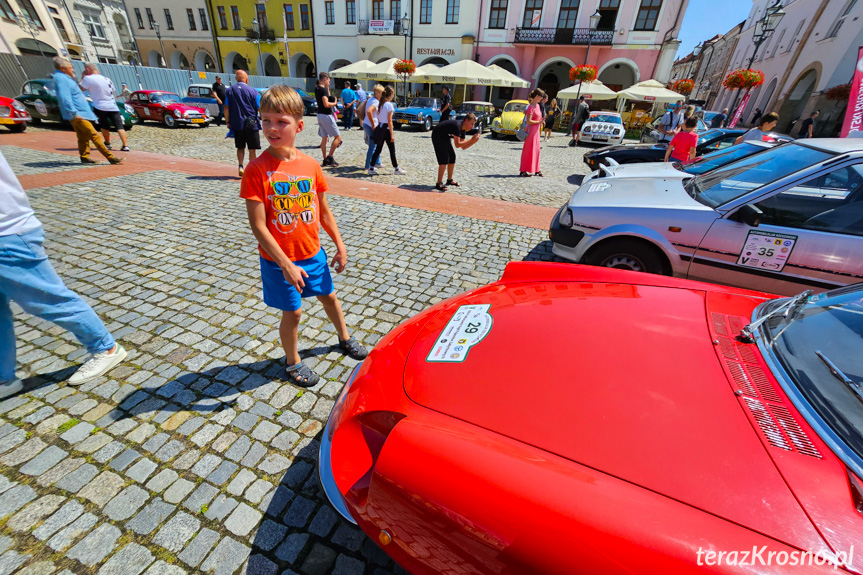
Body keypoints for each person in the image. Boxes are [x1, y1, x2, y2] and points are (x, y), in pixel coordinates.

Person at [240, 85, 368, 387]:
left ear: (299, 125)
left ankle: (344, 338)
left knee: (329, 296)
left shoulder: (310, 165)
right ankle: (293, 361)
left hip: (313, 253)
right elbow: (258, 226)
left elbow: (323, 211)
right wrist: (284, 264)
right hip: (278, 261)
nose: (272, 128)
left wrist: (339, 244)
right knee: (294, 313)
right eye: (266, 120)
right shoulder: (256, 170)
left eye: (281, 121)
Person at [0, 151, 127, 398]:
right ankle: (4, 378)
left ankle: (106, 348)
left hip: (6, 234)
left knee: (47, 301)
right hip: (9, 231)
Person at [51, 57, 122, 166]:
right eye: (70, 68)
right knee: (94, 135)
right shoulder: (62, 79)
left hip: (80, 113)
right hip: (78, 114)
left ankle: (84, 157)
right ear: (63, 68)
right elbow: (64, 97)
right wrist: (74, 113)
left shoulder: (64, 78)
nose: (73, 70)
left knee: (82, 137)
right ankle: (111, 157)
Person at [79, 62, 130, 152]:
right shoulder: (107, 79)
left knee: (104, 125)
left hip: (100, 105)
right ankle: (125, 145)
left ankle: (107, 142)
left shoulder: (88, 78)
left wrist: (82, 77)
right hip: (112, 105)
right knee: (119, 126)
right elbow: (113, 91)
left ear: (87, 69)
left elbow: (81, 88)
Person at [224, 70, 260, 177]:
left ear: (236, 79)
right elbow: (259, 107)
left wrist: (228, 121)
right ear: (247, 79)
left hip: (237, 123)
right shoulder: (253, 91)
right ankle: (252, 168)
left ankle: (240, 166)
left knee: (240, 147)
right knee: (252, 148)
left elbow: (226, 107)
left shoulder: (229, 91)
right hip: (251, 123)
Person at [431, 114, 480, 192]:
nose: (472, 126)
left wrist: (473, 142)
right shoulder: (457, 126)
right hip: (437, 135)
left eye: (473, 124)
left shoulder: (463, 129)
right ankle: (439, 183)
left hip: (445, 136)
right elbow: (457, 145)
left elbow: (463, 146)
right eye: (471, 123)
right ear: (466, 120)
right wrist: (471, 140)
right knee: (444, 159)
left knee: (452, 156)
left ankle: (449, 180)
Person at [369, 86, 405, 176]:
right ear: (391, 95)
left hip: (380, 128)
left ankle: (371, 167)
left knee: (378, 149)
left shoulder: (380, 104)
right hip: (386, 129)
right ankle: (396, 168)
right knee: (392, 150)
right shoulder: (389, 105)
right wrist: (392, 134)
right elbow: (389, 121)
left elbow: (378, 116)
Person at [315, 73, 342, 167]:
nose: (329, 84)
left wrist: (327, 89)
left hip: (319, 115)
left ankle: (325, 158)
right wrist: (334, 103)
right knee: (338, 138)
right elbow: (326, 104)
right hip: (326, 115)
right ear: (325, 79)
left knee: (324, 139)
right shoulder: (322, 90)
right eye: (329, 81)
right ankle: (330, 157)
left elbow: (327, 96)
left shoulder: (317, 89)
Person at [520, 88, 546, 177]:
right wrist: (539, 122)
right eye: (541, 97)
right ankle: (523, 170)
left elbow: (537, 118)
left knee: (536, 150)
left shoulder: (538, 106)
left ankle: (536, 169)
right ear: (537, 96)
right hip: (531, 131)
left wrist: (541, 120)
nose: (541, 99)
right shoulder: (531, 107)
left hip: (536, 131)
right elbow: (529, 121)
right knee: (529, 150)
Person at [363, 84, 384, 172]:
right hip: (370, 125)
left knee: (376, 143)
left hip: (366, 124)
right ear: (378, 93)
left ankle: (377, 162)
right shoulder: (375, 102)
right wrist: (373, 124)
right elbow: (369, 111)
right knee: (372, 146)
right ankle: (368, 165)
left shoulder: (371, 99)